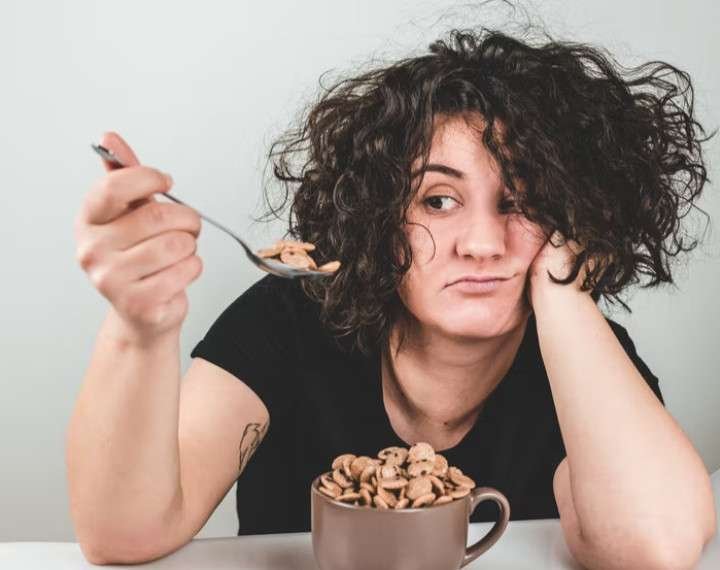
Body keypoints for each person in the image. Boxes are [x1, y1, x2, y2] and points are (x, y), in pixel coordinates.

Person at [67, 26, 716, 568]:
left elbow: (652, 545)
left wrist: (568, 293)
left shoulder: (582, 357)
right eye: (439, 200)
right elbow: (126, 534)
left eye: (522, 203)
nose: (482, 243)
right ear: (380, 216)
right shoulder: (287, 320)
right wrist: (139, 326)